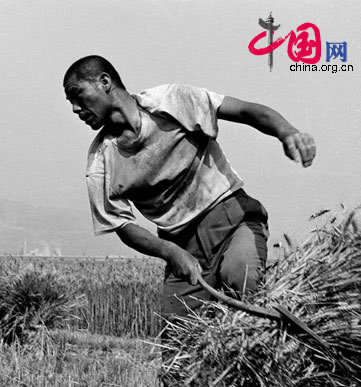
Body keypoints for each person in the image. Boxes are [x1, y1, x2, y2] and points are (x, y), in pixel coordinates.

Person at [63, 55, 316, 320]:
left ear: (104, 82)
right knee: (178, 343)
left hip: (232, 222)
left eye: (76, 95)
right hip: (183, 248)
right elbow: (121, 225)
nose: (74, 109)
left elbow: (245, 111)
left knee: (241, 281)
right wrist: (170, 252)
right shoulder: (101, 162)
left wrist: (286, 132)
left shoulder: (170, 102)